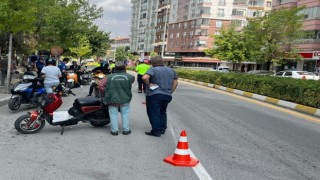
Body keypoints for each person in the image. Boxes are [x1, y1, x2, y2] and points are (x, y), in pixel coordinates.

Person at [142, 56, 178, 137]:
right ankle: (162, 129)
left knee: (154, 112)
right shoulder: (171, 70)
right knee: (162, 111)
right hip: (167, 95)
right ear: (162, 62)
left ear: (152, 63)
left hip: (154, 95)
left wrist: (148, 84)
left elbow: (144, 77)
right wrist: (170, 92)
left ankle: (156, 131)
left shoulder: (153, 69)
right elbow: (175, 83)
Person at [99, 61, 135, 136]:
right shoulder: (130, 77)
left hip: (112, 99)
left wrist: (105, 93)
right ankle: (126, 130)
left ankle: (114, 131)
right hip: (125, 98)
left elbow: (101, 85)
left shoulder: (108, 77)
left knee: (113, 115)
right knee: (125, 114)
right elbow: (131, 82)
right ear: (124, 68)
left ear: (115, 68)